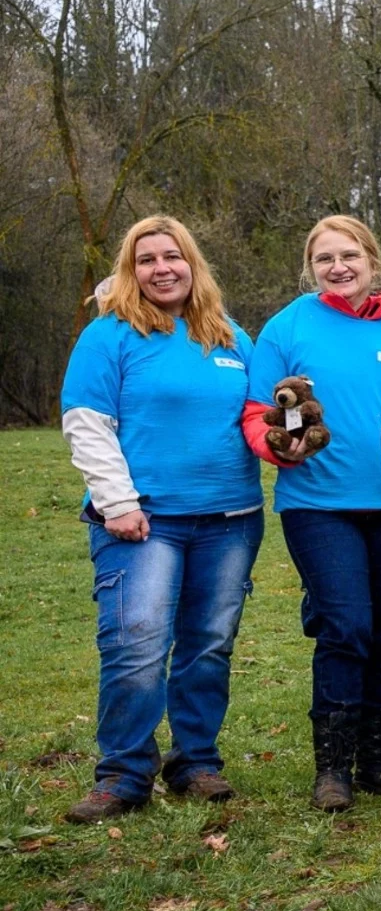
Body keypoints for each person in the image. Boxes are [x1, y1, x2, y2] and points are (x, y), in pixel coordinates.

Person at [58, 216, 266, 823]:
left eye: (172, 256)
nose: (161, 268)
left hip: (230, 519)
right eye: (146, 259)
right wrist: (117, 502)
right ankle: (123, 775)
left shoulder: (229, 335)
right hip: (144, 521)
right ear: (131, 270)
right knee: (137, 644)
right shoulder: (109, 335)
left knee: (209, 646)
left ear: (192, 263)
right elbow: (86, 422)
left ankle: (195, 763)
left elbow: (257, 414)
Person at [244, 215, 381, 812]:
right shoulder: (288, 326)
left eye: (349, 255)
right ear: (311, 268)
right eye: (325, 258)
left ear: (372, 261)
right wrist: (277, 447)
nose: (339, 267)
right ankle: (333, 770)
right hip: (318, 505)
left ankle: (377, 764)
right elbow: (257, 413)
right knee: (347, 627)